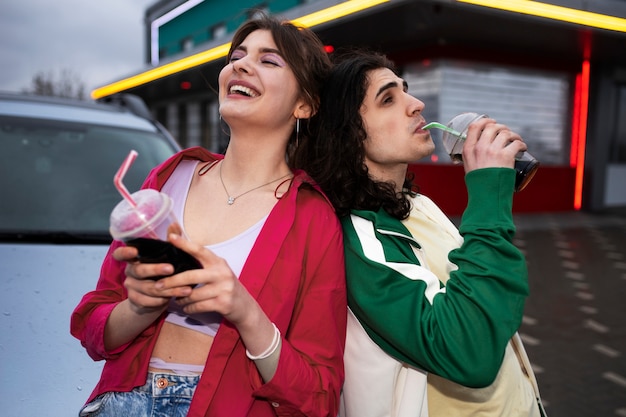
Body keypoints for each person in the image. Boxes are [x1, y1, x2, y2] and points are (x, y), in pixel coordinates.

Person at [71, 15, 346, 417]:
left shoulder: (313, 218)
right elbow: (96, 332)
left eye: (269, 61)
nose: (241, 64)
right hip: (120, 403)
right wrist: (141, 307)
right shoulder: (167, 178)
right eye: (237, 56)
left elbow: (319, 394)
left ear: (305, 104)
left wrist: (244, 311)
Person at [294, 50, 546, 417]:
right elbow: (466, 351)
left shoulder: (418, 203)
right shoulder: (359, 238)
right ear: (348, 133)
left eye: (405, 90)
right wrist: (489, 198)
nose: (416, 104)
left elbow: (487, 299)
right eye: (388, 99)